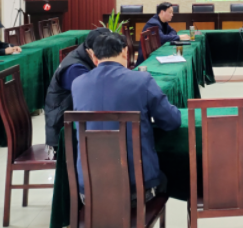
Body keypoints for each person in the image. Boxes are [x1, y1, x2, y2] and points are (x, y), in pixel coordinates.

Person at [72, 32, 181, 199]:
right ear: (125, 52)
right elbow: (172, 121)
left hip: (90, 191)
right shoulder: (142, 80)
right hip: (137, 191)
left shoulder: (77, 84)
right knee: (173, 174)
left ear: (93, 56)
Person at [44, 28, 111, 154]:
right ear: (91, 51)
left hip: (76, 122)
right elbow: (95, 97)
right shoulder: (75, 69)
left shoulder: (85, 55)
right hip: (62, 134)